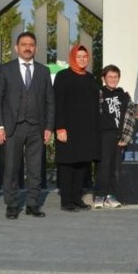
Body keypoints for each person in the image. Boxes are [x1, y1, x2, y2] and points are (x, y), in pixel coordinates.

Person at [0, 32, 54, 219]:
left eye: (31, 44)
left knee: (35, 168)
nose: (28, 47)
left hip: (37, 127)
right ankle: (12, 204)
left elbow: (50, 101)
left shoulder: (43, 71)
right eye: (24, 44)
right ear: (16, 48)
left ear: (35, 48)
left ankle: (33, 204)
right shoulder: (5, 70)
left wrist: (49, 127)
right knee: (11, 168)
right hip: (13, 126)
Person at [54, 45, 100, 212]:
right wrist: (59, 127)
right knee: (67, 165)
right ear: (72, 57)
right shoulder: (63, 76)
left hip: (86, 129)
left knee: (82, 165)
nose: (82, 59)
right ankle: (66, 201)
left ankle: (77, 198)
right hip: (68, 128)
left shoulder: (90, 77)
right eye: (79, 56)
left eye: (85, 57)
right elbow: (57, 103)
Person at [94, 65, 136, 209]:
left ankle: (111, 196)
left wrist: (126, 137)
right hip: (103, 134)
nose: (113, 79)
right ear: (103, 78)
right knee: (103, 166)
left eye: (115, 77)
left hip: (118, 136)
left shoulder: (124, 95)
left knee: (115, 168)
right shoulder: (98, 94)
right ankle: (99, 195)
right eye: (110, 77)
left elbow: (130, 117)